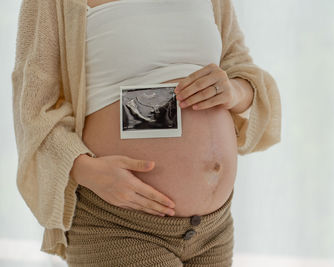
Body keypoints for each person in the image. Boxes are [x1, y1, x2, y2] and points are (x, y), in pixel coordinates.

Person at [11, 0, 282, 266]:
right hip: (119, 224)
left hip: (214, 231)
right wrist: (84, 169)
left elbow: (239, 67)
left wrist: (234, 91)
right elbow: (34, 107)